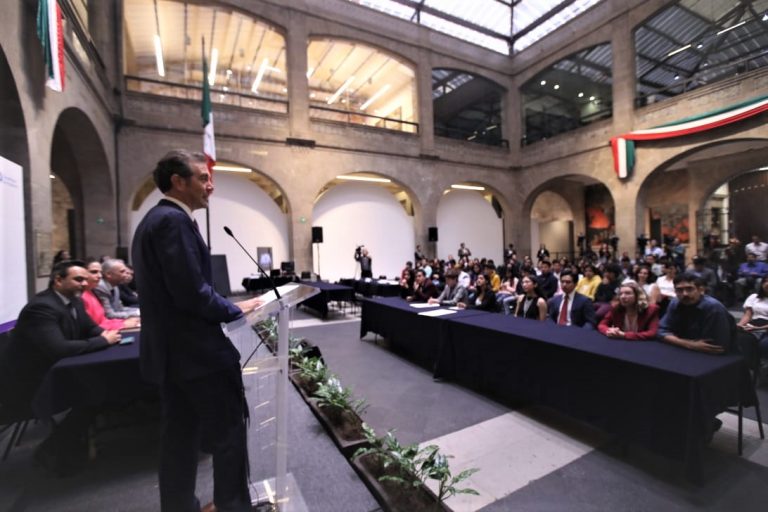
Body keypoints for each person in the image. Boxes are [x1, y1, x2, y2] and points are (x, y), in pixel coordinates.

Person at [132, 150, 263, 512]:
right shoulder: (173, 222)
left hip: (173, 356)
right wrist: (234, 307)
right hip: (198, 355)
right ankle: (234, 506)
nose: (211, 185)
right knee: (228, 436)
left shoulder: (153, 221)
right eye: (203, 178)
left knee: (180, 437)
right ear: (178, 181)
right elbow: (190, 293)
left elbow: (180, 288)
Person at [0, 260, 121, 473]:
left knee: (103, 384)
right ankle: (54, 450)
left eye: (85, 279)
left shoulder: (74, 301)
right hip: (30, 384)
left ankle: (73, 443)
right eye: (78, 279)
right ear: (58, 280)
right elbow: (59, 349)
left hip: (55, 371)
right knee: (95, 392)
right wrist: (103, 341)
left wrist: (101, 335)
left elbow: (90, 328)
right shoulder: (42, 308)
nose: (84, 284)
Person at [658, 272, 732, 354]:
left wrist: (675, 340)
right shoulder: (675, 303)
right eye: (679, 290)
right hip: (685, 351)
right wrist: (691, 344)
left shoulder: (714, 308)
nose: (684, 294)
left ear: (701, 290)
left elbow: (715, 347)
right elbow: (661, 332)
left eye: (689, 289)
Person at [81, 258, 140, 330]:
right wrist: (122, 324)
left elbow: (116, 310)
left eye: (100, 272)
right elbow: (105, 318)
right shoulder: (97, 289)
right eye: (94, 272)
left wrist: (123, 322)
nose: (100, 276)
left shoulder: (91, 292)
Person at [736, 274, 768, 360]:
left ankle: (750, 368)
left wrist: (757, 328)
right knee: (737, 335)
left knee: (748, 340)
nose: (766, 284)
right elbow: (748, 315)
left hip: (764, 326)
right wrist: (739, 325)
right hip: (753, 324)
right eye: (765, 281)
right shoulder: (754, 297)